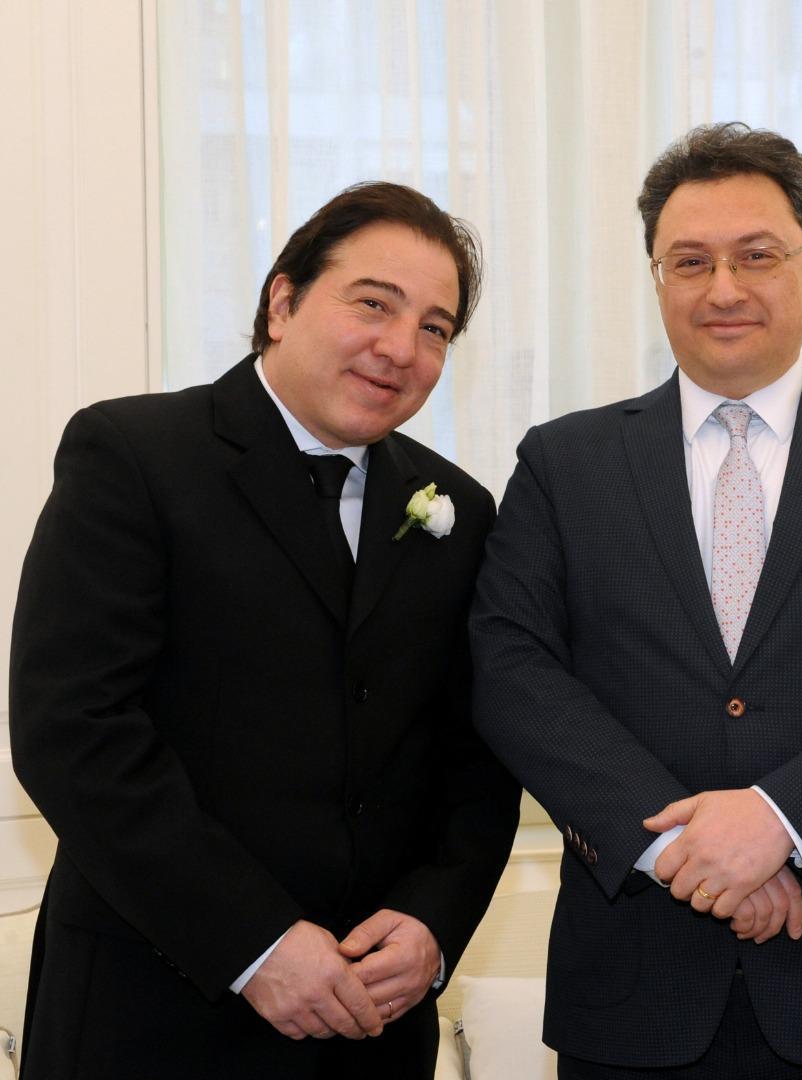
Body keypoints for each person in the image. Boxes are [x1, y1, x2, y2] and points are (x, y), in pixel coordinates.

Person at [469, 122, 802, 1078]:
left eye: (757, 255)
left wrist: (780, 823)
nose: (723, 289)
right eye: (690, 262)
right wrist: (687, 851)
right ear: (657, 279)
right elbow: (512, 674)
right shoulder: (564, 464)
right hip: (632, 995)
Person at [10, 181, 520, 1079]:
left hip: (370, 1026)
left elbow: (476, 757)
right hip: (154, 1013)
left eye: (436, 328)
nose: (401, 348)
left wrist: (434, 923)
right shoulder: (133, 455)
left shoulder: (459, 510)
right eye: (374, 304)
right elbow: (73, 733)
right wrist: (257, 943)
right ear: (282, 303)